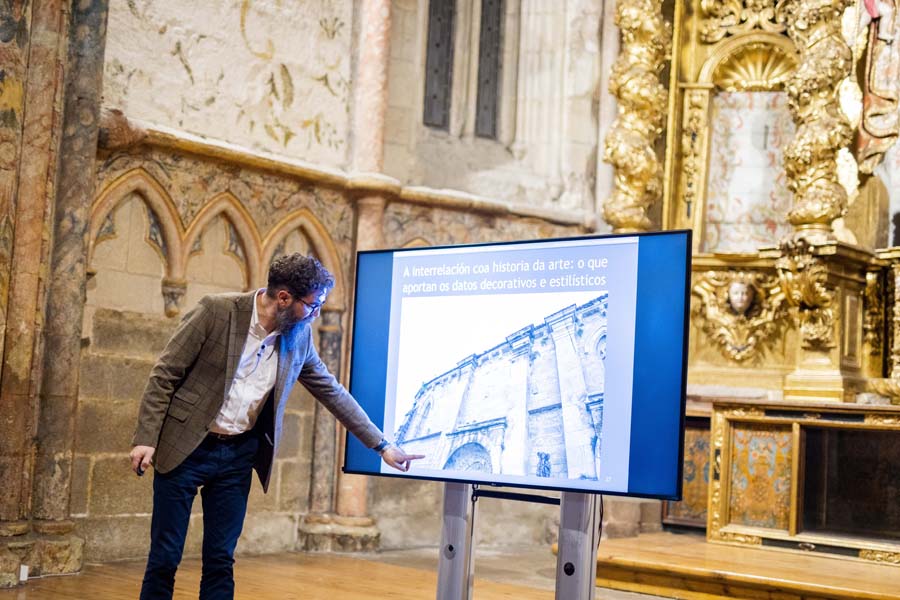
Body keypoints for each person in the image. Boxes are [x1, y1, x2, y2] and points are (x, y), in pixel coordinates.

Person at [129, 253, 423, 600]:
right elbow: (165, 374)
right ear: (284, 297)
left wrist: (382, 445)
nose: (316, 314)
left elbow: (332, 391)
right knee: (165, 557)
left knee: (220, 559)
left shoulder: (298, 336)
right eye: (312, 305)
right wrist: (146, 438)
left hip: (237, 454)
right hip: (186, 445)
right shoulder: (217, 311)